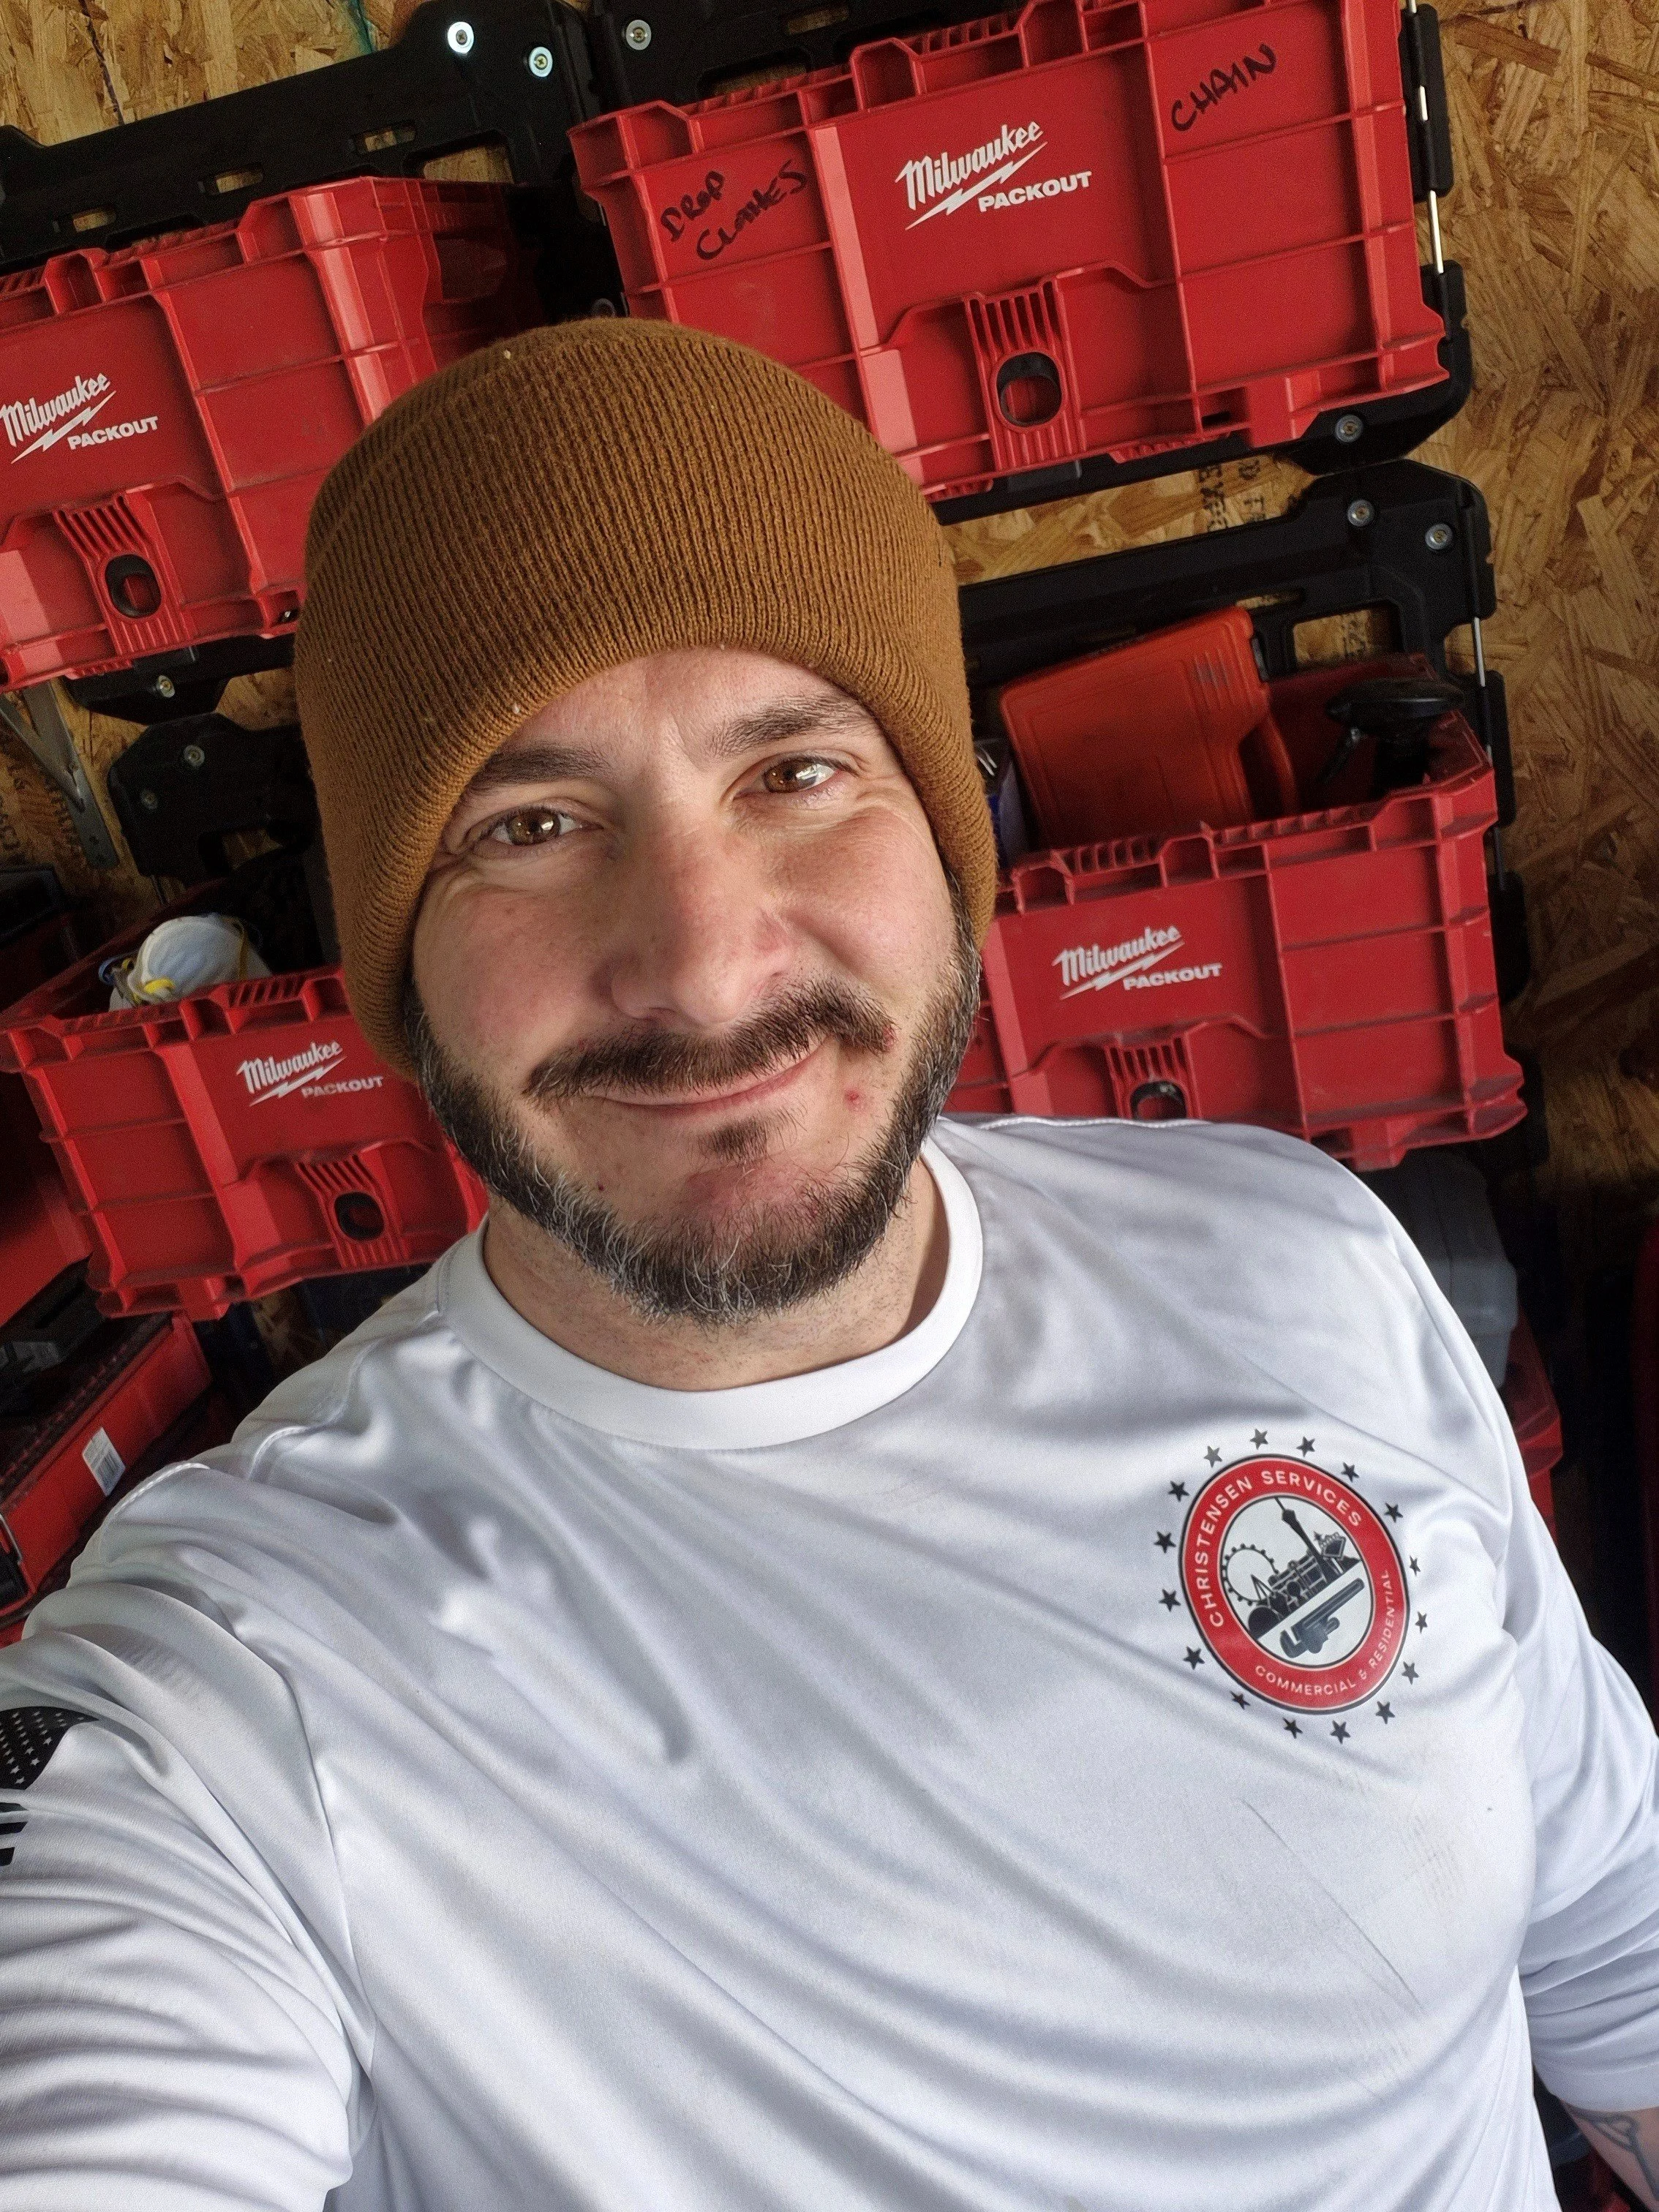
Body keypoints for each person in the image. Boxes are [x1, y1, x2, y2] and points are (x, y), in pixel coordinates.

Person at [0, 317, 1654, 2212]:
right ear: (391, 959)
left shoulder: (1294, 1263)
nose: (702, 967)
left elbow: (1613, 1958)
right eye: (529, 828)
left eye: (793, 773)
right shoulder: (245, 1671)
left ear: (948, 838)